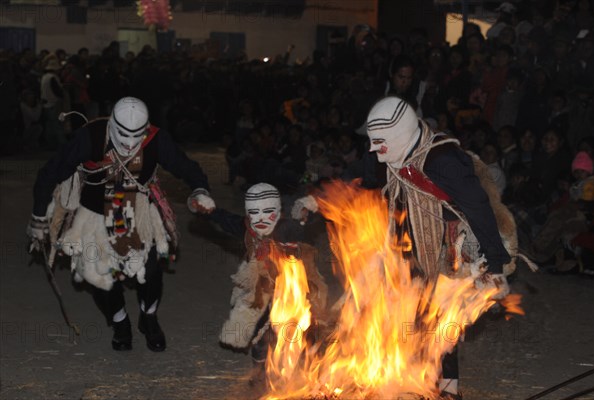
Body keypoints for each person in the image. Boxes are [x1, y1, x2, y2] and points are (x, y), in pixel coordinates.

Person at [293, 96, 518, 399]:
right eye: (372, 142)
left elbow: (478, 207)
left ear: (400, 134)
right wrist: (316, 199)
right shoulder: (388, 155)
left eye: (379, 142)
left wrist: (495, 261)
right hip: (411, 244)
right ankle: (406, 376)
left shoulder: (443, 161)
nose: (373, 149)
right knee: (408, 311)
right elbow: (356, 175)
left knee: (444, 317)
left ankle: (449, 388)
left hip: (453, 248)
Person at [26, 96, 216, 352]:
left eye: (135, 139)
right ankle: (120, 322)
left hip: (137, 211)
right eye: (122, 138)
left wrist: (200, 189)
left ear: (145, 130)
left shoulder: (157, 140)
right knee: (100, 275)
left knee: (150, 271)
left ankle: (148, 318)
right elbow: (51, 172)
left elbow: (186, 167)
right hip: (93, 215)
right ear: (111, 127)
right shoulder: (90, 137)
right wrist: (39, 217)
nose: (128, 146)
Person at [211, 183, 328, 391]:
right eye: (254, 213)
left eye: (268, 212)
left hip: (293, 288)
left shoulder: (288, 228)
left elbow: (308, 224)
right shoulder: (245, 228)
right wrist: (210, 211)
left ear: (278, 211)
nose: (262, 219)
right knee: (260, 332)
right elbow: (224, 220)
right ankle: (259, 371)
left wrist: (309, 210)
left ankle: (310, 366)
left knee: (306, 326)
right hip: (261, 289)